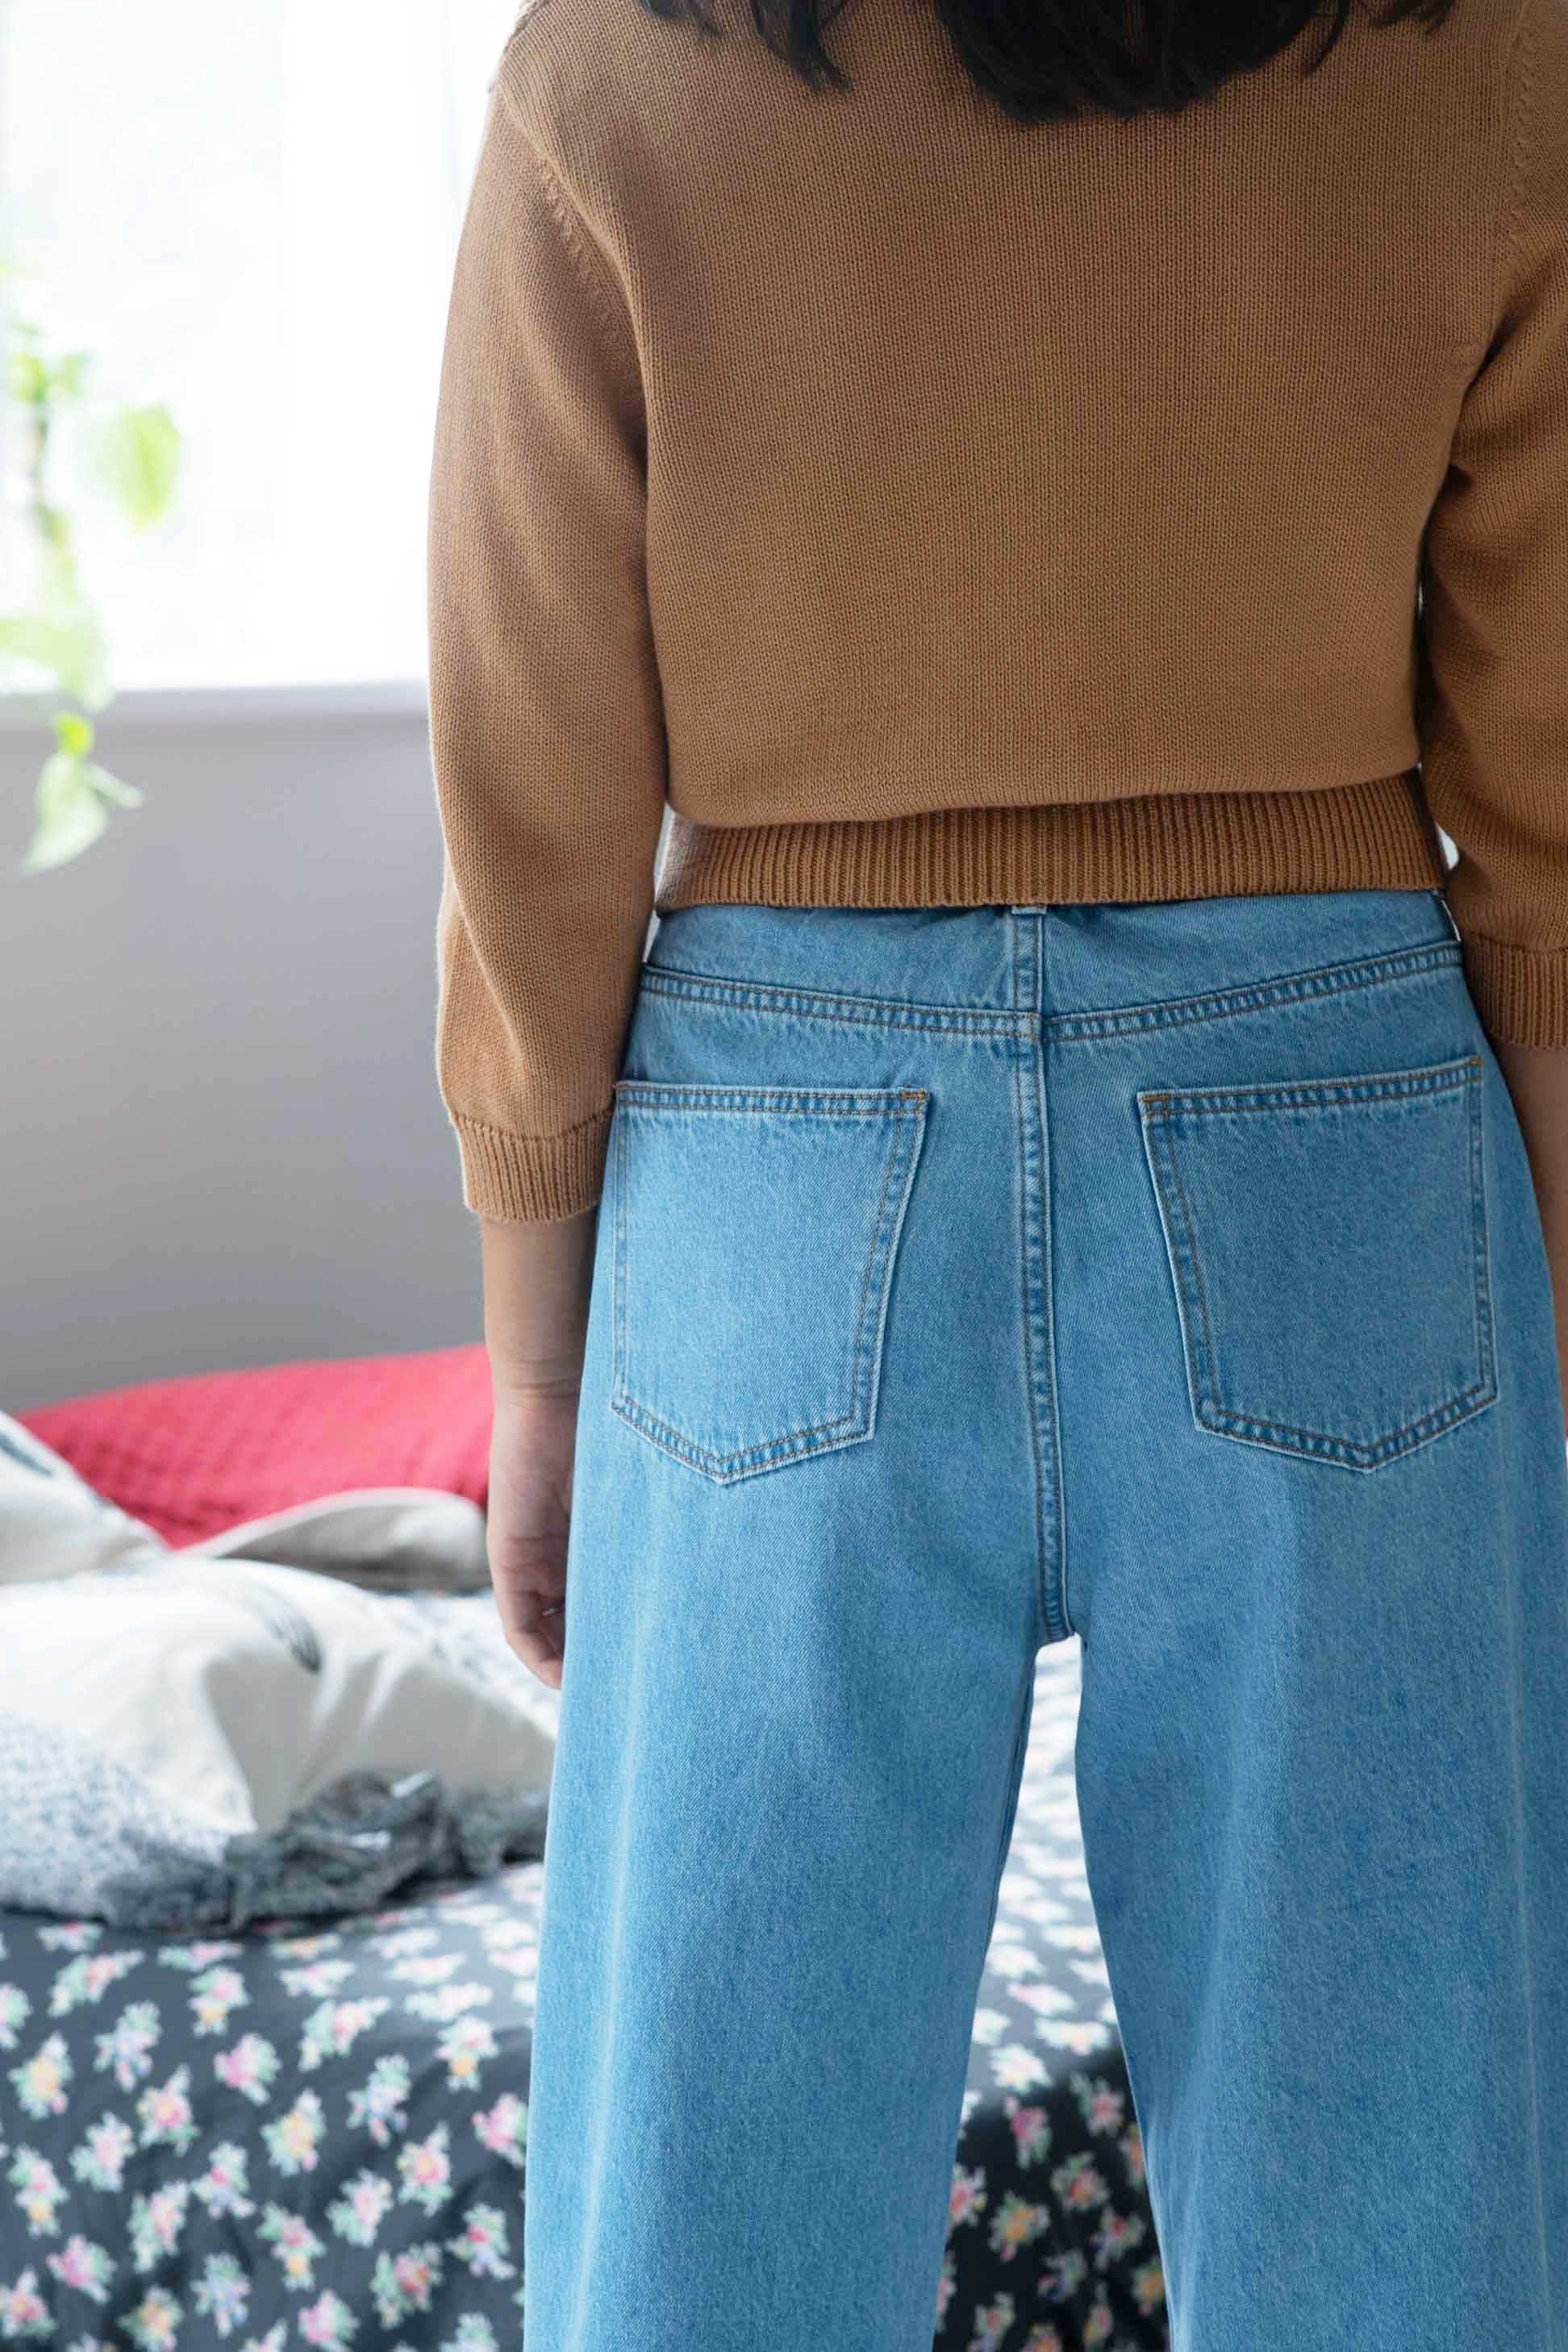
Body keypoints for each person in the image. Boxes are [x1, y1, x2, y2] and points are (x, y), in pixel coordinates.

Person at [424, 0, 1568, 2339]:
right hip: (1330, 1134)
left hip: (777, 1154)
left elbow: (530, 774)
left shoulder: (614, 74)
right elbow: (1556, 788)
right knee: (1403, 2191)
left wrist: (532, 1360)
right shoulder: (1497, 58)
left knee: (701, 2210)